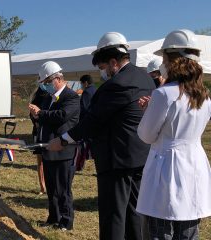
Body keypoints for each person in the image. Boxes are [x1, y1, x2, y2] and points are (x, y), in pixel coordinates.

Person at [47, 32, 155, 239]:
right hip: (140, 156)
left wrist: (63, 140)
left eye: (103, 68)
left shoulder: (116, 85)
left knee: (113, 214)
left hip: (116, 159)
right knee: (135, 211)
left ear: (113, 62)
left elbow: (93, 121)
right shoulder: (144, 78)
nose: (102, 73)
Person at [136, 29, 211, 240]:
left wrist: (147, 113)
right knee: (188, 229)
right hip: (194, 164)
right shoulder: (204, 96)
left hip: (166, 166)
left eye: (164, 58)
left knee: (159, 230)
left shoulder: (163, 93)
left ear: (172, 59)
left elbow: (147, 135)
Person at [29, 61, 80, 231]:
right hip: (48, 149)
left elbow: (62, 116)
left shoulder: (71, 97)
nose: (45, 87)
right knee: (51, 189)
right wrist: (36, 116)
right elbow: (45, 118)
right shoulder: (49, 98)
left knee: (63, 189)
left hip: (63, 150)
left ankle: (66, 221)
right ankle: (53, 218)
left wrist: (41, 113)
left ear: (57, 79)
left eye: (47, 83)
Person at [29, 85, 49, 195]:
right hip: (39, 132)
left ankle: (45, 185)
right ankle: (42, 186)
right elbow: (32, 114)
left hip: (48, 132)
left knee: (44, 160)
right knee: (40, 160)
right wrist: (37, 123)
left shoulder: (52, 96)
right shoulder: (38, 97)